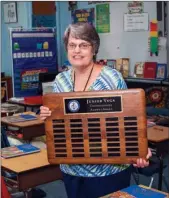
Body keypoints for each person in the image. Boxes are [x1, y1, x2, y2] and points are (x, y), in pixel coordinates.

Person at [40, 22, 152, 198]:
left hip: (108, 171)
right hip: (72, 169)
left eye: (83, 45)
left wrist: (140, 148)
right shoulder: (60, 81)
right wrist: (46, 116)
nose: (77, 50)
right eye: (72, 45)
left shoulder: (111, 78)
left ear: (94, 48)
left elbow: (131, 119)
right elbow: (59, 122)